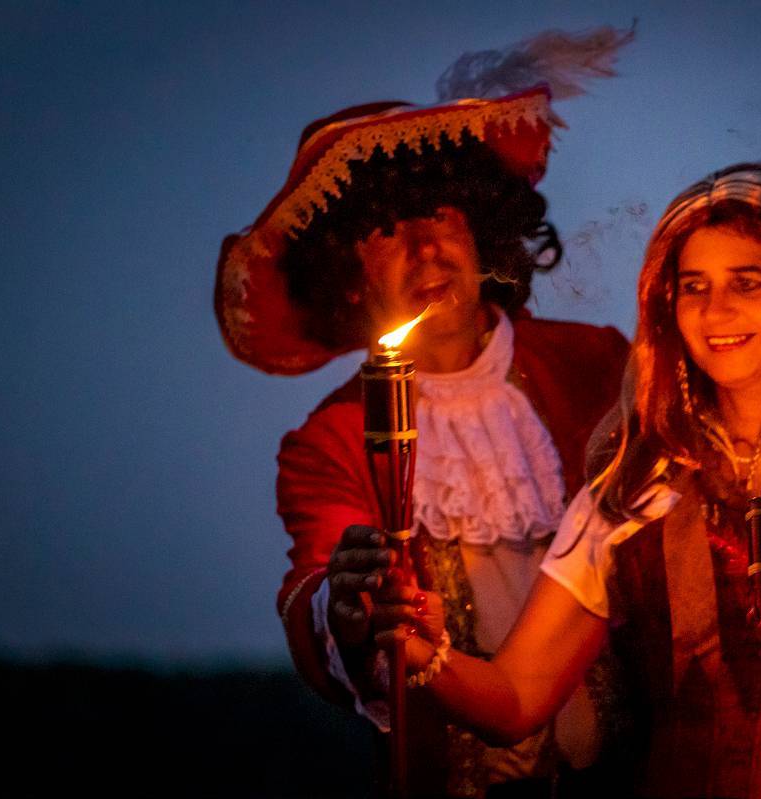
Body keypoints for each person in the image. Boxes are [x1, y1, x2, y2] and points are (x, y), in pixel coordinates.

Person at [373, 163, 761, 798]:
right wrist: (422, 652)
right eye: (693, 287)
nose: (715, 311)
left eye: (746, 283)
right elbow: (515, 700)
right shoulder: (632, 487)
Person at [213, 29, 634, 799]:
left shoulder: (597, 362)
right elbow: (317, 590)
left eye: (441, 212)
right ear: (347, 276)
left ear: (481, 227)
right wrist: (348, 608)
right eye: (386, 230)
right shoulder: (331, 439)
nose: (426, 246)